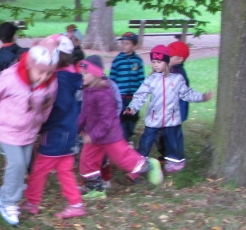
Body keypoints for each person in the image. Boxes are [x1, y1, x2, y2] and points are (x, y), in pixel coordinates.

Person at [0, 40, 59, 227]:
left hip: (28, 131)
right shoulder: (12, 78)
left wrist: (41, 120)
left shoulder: (50, 84)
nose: (44, 77)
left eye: (49, 73)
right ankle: (9, 203)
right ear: (30, 65)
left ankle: (5, 195)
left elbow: (48, 105)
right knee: (17, 164)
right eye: (40, 72)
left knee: (23, 164)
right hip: (7, 128)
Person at [77, 58, 164, 198]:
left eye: (85, 73)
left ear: (96, 74)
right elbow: (85, 112)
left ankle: (150, 165)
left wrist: (92, 135)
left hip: (110, 136)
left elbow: (107, 121)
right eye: (81, 73)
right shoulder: (87, 89)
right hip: (95, 135)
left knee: (124, 160)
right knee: (87, 161)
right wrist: (78, 128)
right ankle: (97, 189)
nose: (82, 76)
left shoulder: (104, 93)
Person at [22, 37, 85, 219]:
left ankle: (32, 202)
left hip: (57, 132)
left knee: (40, 169)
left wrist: (42, 123)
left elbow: (59, 107)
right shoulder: (73, 77)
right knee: (65, 170)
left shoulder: (61, 81)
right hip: (69, 131)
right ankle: (76, 204)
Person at [124, 45, 213, 173]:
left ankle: (176, 163)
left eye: (159, 62)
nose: (156, 65)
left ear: (166, 62)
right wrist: (132, 108)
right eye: (153, 62)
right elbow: (140, 96)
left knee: (174, 141)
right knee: (146, 140)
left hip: (172, 119)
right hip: (154, 119)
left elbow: (187, 93)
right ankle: (140, 163)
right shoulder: (150, 80)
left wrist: (202, 97)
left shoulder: (177, 79)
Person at [109, 32, 146, 142]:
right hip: (121, 96)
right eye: (122, 43)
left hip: (134, 97)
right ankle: (124, 138)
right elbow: (112, 79)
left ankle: (129, 134)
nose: (123, 46)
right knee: (122, 117)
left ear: (134, 46)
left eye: (127, 43)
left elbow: (141, 78)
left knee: (133, 117)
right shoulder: (117, 60)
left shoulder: (138, 61)